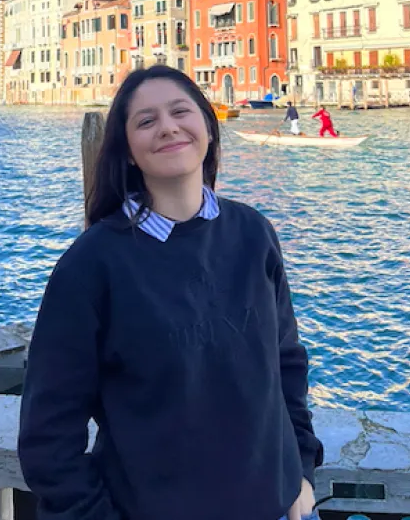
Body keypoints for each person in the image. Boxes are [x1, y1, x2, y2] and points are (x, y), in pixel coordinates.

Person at [19, 64, 323, 520]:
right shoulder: (90, 265)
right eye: (146, 121)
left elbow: (288, 365)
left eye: (181, 111)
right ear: (127, 152)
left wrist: (300, 472)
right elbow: (48, 434)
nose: (168, 127)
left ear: (207, 127)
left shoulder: (254, 233)